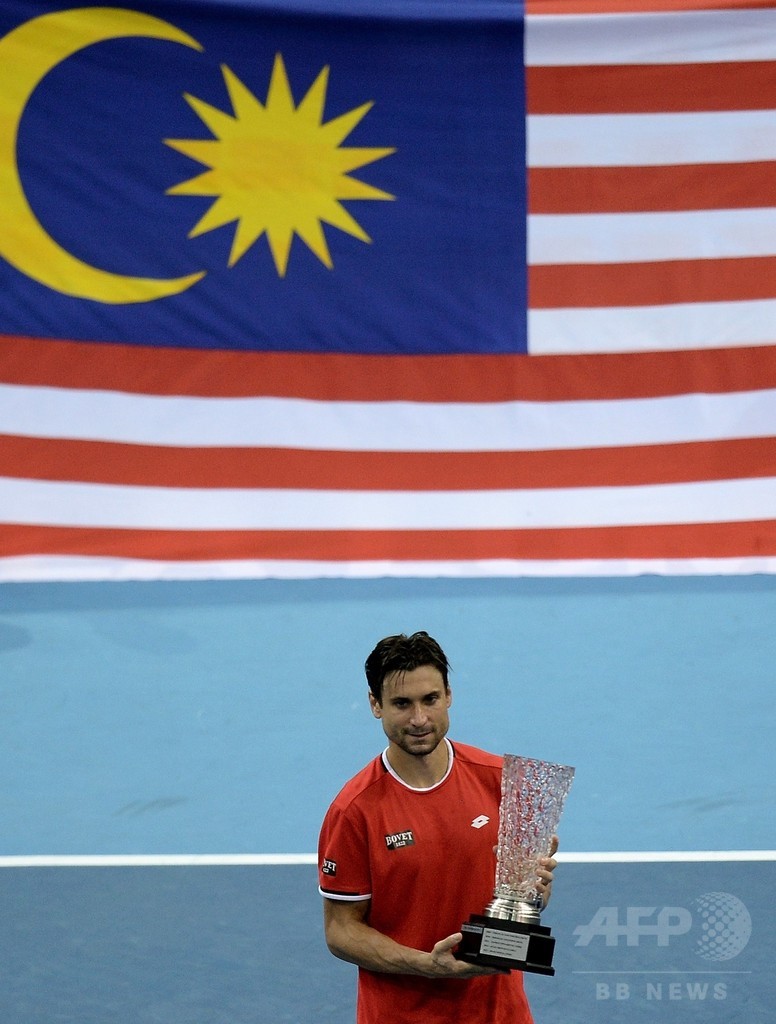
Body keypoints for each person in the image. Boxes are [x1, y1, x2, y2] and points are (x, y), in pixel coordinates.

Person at [317, 631, 559, 1024]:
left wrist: (533, 894)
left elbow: (519, 906)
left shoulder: (500, 781)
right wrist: (426, 965)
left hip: (501, 1014)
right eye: (402, 704)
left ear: (448, 695)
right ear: (375, 704)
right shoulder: (353, 811)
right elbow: (341, 930)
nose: (419, 719)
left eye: (430, 699)